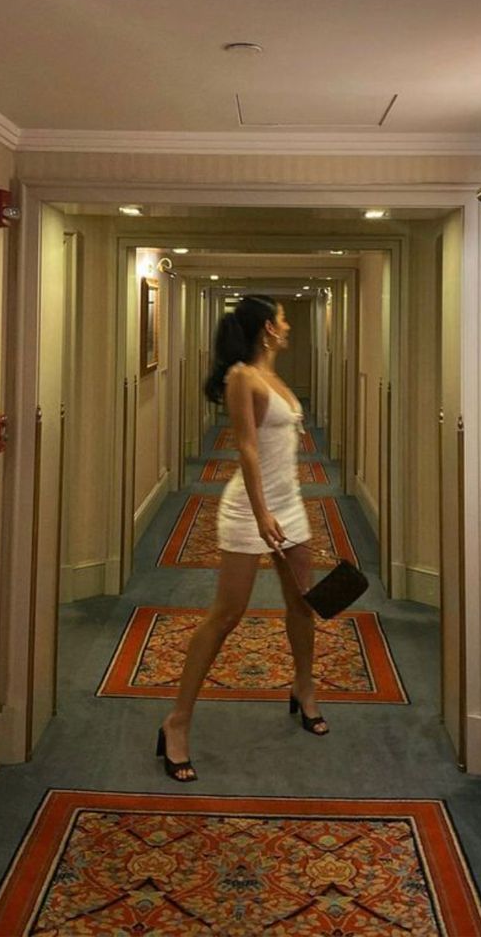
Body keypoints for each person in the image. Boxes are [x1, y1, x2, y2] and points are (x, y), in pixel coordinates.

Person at [157, 295, 328, 782]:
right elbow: (248, 449)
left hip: (289, 505)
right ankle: (177, 722)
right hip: (248, 510)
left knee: (304, 604)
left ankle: (304, 688)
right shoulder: (241, 378)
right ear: (267, 330)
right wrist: (260, 514)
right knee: (227, 615)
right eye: (281, 318)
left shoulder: (273, 378)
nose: (287, 323)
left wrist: (280, 510)